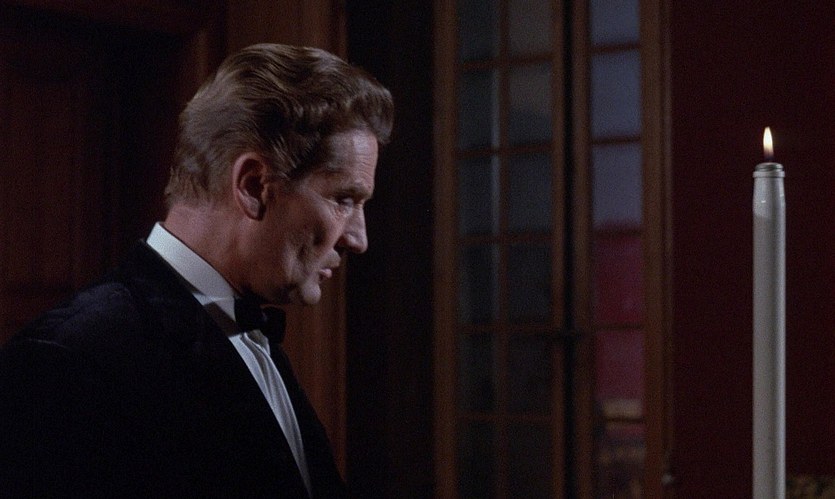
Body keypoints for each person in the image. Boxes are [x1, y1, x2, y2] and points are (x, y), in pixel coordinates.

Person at [0, 43, 393, 498]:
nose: (357, 239)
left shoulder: (251, 338)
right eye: (344, 200)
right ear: (253, 186)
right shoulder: (66, 360)